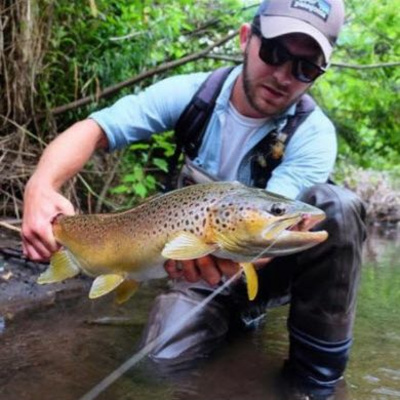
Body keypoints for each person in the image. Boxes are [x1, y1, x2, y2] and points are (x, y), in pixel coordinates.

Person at [22, 0, 366, 399]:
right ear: (245, 39)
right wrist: (41, 187)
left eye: (305, 67)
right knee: (158, 366)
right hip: (193, 268)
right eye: (275, 52)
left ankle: (317, 385)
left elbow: (269, 234)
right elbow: (96, 128)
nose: (284, 75)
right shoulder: (194, 93)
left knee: (337, 206)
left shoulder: (314, 135)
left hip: (265, 266)